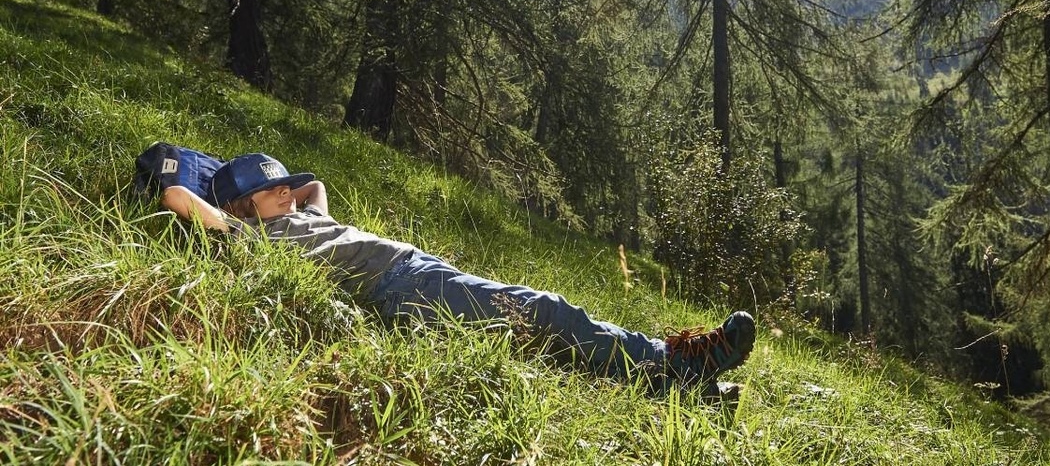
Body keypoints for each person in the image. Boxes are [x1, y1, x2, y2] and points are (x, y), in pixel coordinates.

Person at [159, 152, 756, 393]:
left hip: (420, 272)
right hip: (404, 288)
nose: (287, 193)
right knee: (547, 312)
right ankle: (682, 359)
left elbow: (314, 185)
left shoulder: (306, 215)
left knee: (542, 339)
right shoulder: (254, 238)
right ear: (242, 206)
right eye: (272, 191)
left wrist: (279, 185)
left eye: (284, 186)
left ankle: (692, 390)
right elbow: (180, 198)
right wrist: (184, 172)